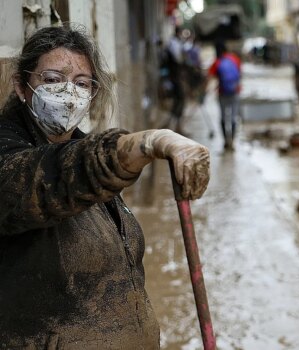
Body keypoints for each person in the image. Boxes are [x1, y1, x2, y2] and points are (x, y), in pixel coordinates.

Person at [0, 25, 210, 349]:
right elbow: (46, 179)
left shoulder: (93, 165)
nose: (69, 94)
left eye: (81, 84)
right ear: (21, 86)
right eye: (53, 80)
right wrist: (143, 144)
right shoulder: (11, 155)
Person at [207, 40, 241, 151]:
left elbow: (210, 77)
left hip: (222, 93)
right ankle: (232, 141)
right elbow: (239, 74)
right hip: (235, 92)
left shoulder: (217, 62)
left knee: (223, 117)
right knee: (233, 117)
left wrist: (204, 92)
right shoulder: (235, 59)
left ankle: (226, 141)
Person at [162, 26, 187, 134]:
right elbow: (178, 59)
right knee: (179, 100)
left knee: (179, 101)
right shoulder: (174, 43)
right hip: (174, 77)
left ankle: (176, 127)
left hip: (174, 76)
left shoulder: (175, 43)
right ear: (179, 33)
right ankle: (174, 127)